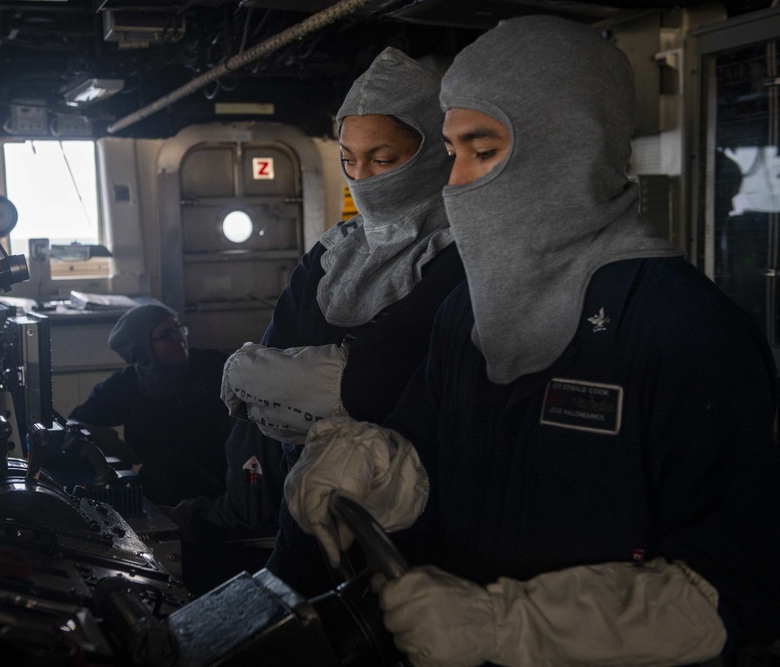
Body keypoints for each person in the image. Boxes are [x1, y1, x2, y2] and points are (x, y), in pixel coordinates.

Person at [284, 15, 780, 666]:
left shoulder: (685, 331)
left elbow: (730, 591)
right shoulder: (471, 311)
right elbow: (425, 450)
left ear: (566, 145)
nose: (455, 183)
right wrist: (373, 465)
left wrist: (507, 624)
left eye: (483, 150)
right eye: (453, 151)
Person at [219, 46, 465, 597]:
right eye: (350, 161)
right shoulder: (333, 255)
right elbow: (264, 392)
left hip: (409, 524)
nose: (364, 177)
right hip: (302, 502)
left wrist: (280, 382)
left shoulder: (461, 257)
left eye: (383, 159)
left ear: (432, 155)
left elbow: (369, 392)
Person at [68, 303, 231, 506]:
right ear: (142, 346)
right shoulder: (125, 386)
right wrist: (117, 451)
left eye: (179, 328)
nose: (179, 338)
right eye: (166, 335)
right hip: (164, 490)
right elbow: (76, 425)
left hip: (224, 482)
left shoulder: (211, 366)